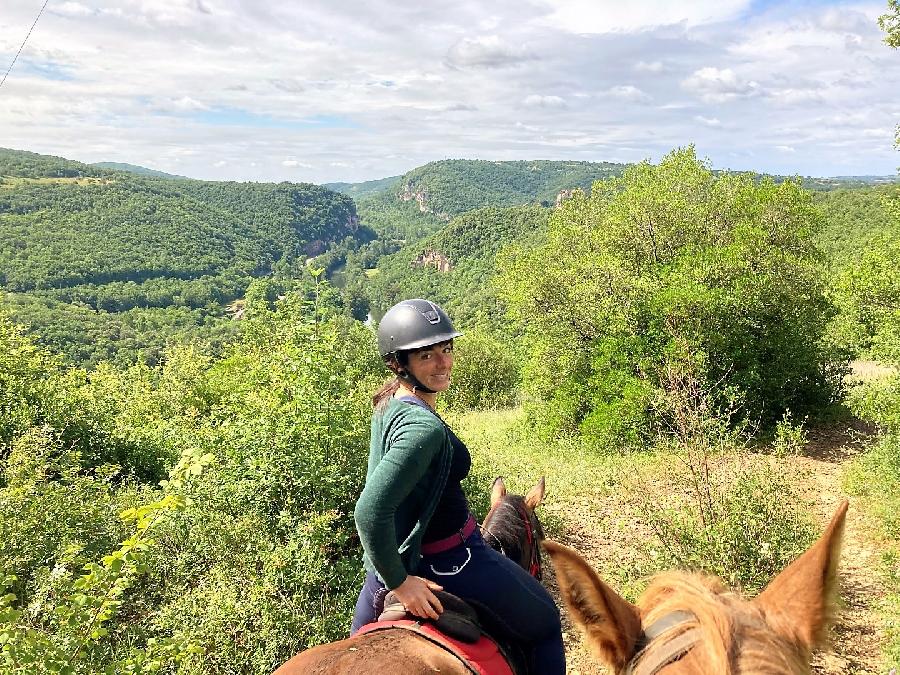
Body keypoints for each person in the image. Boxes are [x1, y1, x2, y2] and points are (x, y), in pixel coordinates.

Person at [351, 298, 565, 674]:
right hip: (452, 559)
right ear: (399, 363)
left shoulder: (389, 402)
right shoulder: (423, 428)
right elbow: (369, 511)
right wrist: (402, 585)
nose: (444, 362)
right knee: (546, 623)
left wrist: (388, 577)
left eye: (446, 349)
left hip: (380, 574)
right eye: (427, 355)